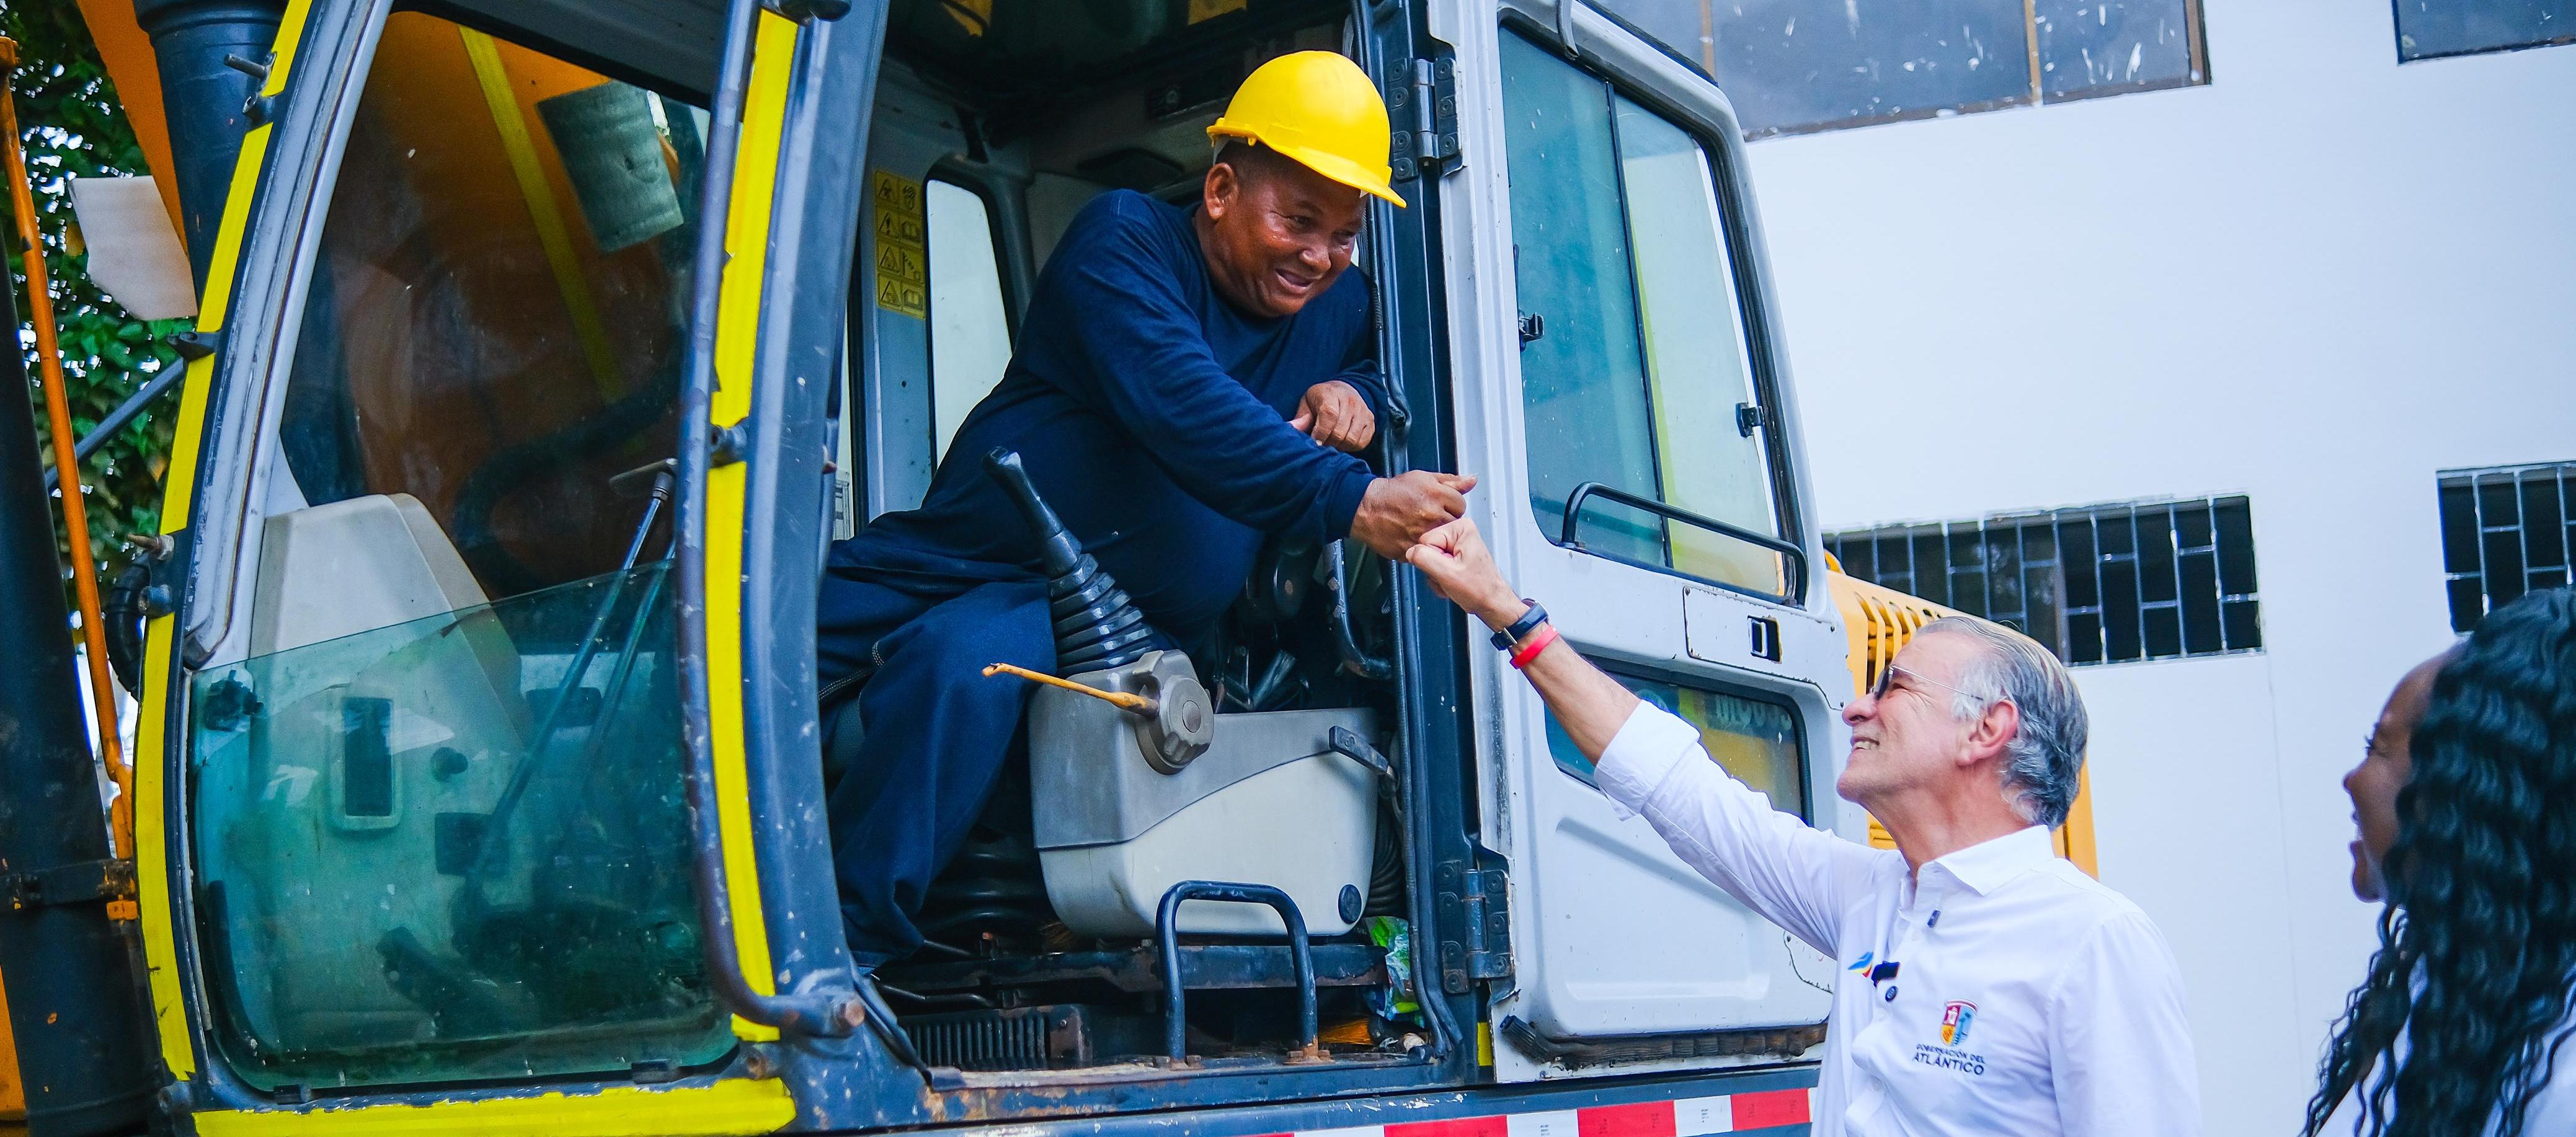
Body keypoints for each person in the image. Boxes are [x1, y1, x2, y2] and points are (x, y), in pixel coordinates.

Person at [817, 51, 1474, 967]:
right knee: (728, 644)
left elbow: (1384, 350)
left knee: (966, 665)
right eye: (1298, 220)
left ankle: (846, 961)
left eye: (1343, 236)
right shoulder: (1123, 243)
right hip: (955, 562)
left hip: (1107, 625)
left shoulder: (1335, 304)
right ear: (1217, 190)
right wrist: (1350, 497)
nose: (1320, 257)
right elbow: (1185, 405)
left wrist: (1352, 387)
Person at [1401, 516, 2201, 1136]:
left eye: (1892, 688)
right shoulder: (1872, 896)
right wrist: (1507, 613)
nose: (1854, 705)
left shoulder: (2091, 942)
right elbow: (1681, 790)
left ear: (1984, 731)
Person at [2307, 588, 2576, 1137]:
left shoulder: (2562, 1079)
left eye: (2378, 747)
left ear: (2472, 793)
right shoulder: (2456, 989)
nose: (2352, 780)